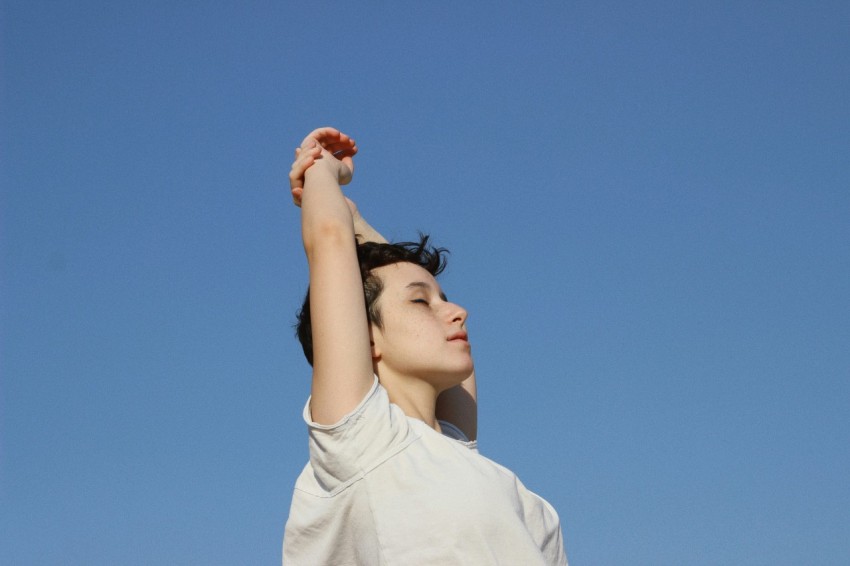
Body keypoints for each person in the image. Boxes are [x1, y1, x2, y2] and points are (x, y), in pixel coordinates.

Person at [282, 127, 567, 565]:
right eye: (421, 302)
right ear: (367, 337)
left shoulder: (473, 462)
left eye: (444, 300)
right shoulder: (363, 441)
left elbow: (393, 280)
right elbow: (330, 241)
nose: (458, 312)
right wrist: (322, 170)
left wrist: (357, 222)